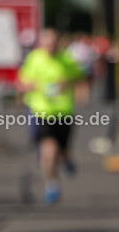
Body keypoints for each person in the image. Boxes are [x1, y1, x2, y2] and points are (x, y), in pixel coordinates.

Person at [17, 29, 86, 204]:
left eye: (54, 44)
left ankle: (67, 159)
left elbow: (80, 78)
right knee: (48, 152)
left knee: (62, 151)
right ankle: (52, 185)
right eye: (48, 44)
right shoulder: (34, 59)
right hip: (42, 112)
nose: (51, 47)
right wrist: (31, 86)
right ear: (41, 44)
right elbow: (21, 83)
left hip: (64, 112)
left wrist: (70, 85)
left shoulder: (66, 59)